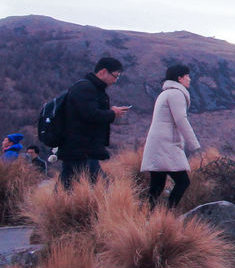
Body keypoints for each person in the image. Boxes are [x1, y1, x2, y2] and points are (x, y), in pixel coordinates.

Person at [60, 57, 129, 187]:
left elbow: (88, 113)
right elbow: (91, 115)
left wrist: (110, 111)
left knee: (72, 185)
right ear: (103, 71)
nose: (115, 81)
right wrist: (112, 113)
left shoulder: (88, 88)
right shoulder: (86, 88)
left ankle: (61, 205)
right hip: (80, 148)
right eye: (115, 76)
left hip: (82, 148)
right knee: (96, 185)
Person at [141, 63, 201, 209]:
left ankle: (148, 216)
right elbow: (181, 120)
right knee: (183, 181)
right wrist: (194, 144)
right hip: (167, 145)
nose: (189, 79)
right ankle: (168, 213)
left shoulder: (165, 93)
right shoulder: (176, 94)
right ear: (179, 78)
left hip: (158, 144)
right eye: (187, 76)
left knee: (157, 185)